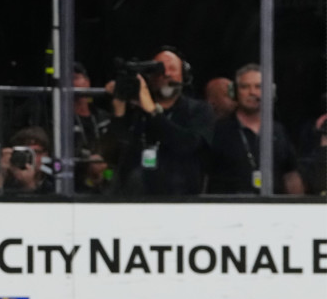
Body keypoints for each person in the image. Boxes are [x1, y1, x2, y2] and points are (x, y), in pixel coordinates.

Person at [106, 47, 214, 196]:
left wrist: (151, 110)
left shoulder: (199, 110)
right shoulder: (136, 111)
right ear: (150, 76)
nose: (166, 74)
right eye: (159, 69)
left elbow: (187, 145)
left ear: (184, 75)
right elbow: (112, 155)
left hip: (182, 202)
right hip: (133, 202)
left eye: (172, 69)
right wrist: (119, 107)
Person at [206, 64, 304, 195]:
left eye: (258, 87)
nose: (252, 92)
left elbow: (290, 174)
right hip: (229, 211)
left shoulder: (278, 131)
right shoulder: (218, 131)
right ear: (234, 92)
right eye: (245, 87)